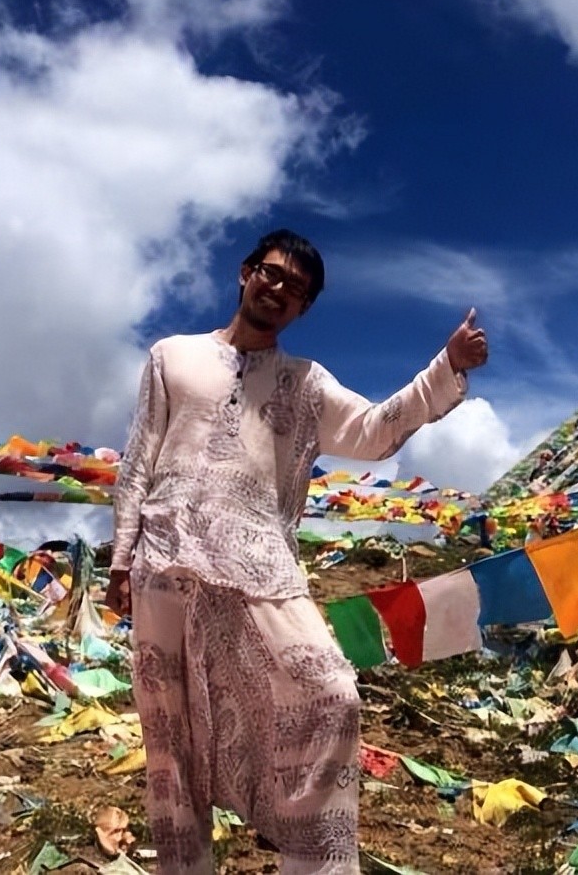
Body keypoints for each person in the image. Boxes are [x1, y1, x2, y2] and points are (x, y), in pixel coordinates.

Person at [106, 229, 487, 874]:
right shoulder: (171, 356)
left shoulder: (305, 384)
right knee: (170, 739)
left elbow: (374, 432)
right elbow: (140, 458)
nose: (280, 290)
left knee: (330, 691)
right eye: (273, 274)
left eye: (298, 290)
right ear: (246, 273)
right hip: (162, 558)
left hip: (257, 564)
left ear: (303, 310)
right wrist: (120, 555)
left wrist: (444, 368)